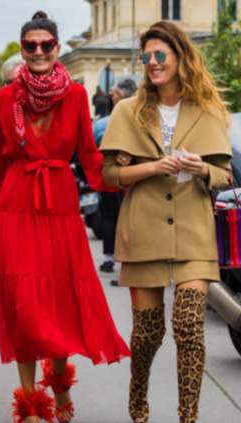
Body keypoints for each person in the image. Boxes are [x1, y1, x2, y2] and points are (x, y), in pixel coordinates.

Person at [0, 11, 130, 423]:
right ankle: (29, 407)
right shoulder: (5, 99)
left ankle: (59, 383)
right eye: (31, 45)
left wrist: (123, 176)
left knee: (60, 302)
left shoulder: (76, 95)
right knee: (23, 306)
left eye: (46, 44)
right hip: (15, 207)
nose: (39, 51)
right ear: (23, 50)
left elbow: (88, 155)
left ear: (57, 48)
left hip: (59, 205)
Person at [100, 21, 233, 423]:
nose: (153, 63)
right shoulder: (128, 111)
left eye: (161, 55)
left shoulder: (206, 110)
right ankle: (138, 384)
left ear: (180, 57)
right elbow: (110, 175)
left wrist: (200, 169)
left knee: (190, 325)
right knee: (148, 333)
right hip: (144, 229)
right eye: (147, 57)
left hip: (194, 229)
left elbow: (225, 175)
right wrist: (153, 167)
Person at [93, 78, 138, 275]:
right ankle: (129, 262)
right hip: (135, 179)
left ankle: (110, 259)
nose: (112, 97)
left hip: (113, 179)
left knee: (111, 217)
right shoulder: (144, 119)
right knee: (129, 219)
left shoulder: (103, 123)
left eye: (114, 94)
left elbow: (91, 148)